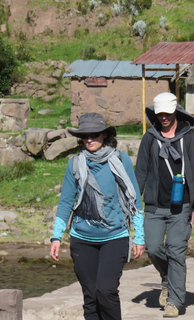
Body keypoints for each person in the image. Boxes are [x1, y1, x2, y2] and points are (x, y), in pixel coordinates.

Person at [50, 112, 145, 320]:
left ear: (104, 135)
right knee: (90, 297)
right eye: (85, 136)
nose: (89, 139)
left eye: (94, 134)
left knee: (106, 291)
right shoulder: (75, 164)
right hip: (82, 239)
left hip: (115, 236)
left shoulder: (122, 160)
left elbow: (134, 200)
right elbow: (66, 201)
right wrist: (56, 236)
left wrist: (139, 236)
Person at [135, 92, 194, 318]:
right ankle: (167, 279)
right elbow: (141, 173)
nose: (163, 117)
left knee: (176, 251)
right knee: (153, 247)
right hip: (155, 206)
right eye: (159, 114)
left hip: (182, 206)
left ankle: (175, 301)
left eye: (167, 113)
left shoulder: (190, 138)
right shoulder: (150, 138)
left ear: (176, 111)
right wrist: (134, 203)